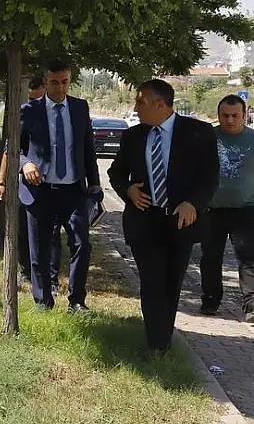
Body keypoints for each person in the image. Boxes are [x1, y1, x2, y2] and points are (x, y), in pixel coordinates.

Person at [109, 79, 219, 354]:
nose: (136, 108)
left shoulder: (198, 132)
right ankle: (155, 345)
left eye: (141, 102)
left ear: (160, 104)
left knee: (172, 283)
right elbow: (116, 172)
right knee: (152, 281)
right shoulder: (133, 136)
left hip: (180, 222)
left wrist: (193, 203)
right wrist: (129, 191)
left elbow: (210, 176)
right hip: (145, 220)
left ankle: (164, 339)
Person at [17, 60, 101, 313]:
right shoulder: (29, 110)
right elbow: (14, 148)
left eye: (64, 81)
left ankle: (76, 300)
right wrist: (25, 164)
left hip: (73, 190)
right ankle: (43, 301)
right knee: (39, 249)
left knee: (82, 244)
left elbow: (87, 147)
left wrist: (95, 184)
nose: (60, 87)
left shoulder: (79, 107)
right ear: (45, 83)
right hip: (39, 191)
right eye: (54, 82)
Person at [0, 75, 62, 285]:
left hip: (54, 186)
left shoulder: (60, 116)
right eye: (33, 99)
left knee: (52, 234)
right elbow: (10, 149)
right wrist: (1, 182)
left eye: (39, 98)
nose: (36, 103)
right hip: (28, 188)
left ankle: (51, 279)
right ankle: (26, 271)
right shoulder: (26, 114)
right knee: (24, 232)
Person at [199, 94, 254, 322]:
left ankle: (251, 307)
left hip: (246, 209)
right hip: (213, 210)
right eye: (225, 115)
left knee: (249, 259)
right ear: (218, 115)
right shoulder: (207, 138)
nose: (230, 120)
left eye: (235, 116)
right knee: (211, 258)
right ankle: (211, 301)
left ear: (244, 116)